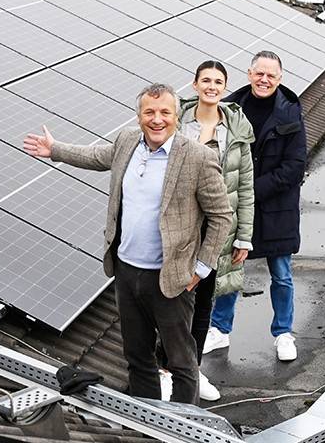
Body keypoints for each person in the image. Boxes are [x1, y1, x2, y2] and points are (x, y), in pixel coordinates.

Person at [23, 83, 232, 404]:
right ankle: (146, 419)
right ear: (139, 116)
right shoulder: (127, 141)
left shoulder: (198, 157)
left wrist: (201, 268)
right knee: (137, 357)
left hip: (171, 277)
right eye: (149, 112)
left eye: (165, 112)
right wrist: (56, 149)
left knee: (181, 361)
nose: (157, 119)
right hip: (126, 271)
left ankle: (183, 424)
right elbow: (97, 156)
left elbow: (221, 216)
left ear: (177, 116)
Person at [157, 60, 255, 402]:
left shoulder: (237, 132)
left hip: (217, 232)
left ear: (225, 88)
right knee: (173, 303)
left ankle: (191, 369)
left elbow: (245, 187)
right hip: (179, 229)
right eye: (206, 81)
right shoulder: (176, 123)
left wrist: (244, 236)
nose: (212, 87)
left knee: (202, 306)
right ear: (195, 85)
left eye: (218, 82)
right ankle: (165, 370)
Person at [203, 51, 307, 362]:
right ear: (249, 74)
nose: (264, 80)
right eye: (259, 74)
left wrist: (250, 189)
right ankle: (219, 329)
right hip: (237, 208)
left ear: (280, 78)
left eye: (270, 75)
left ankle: (283, 333)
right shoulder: (229, 110)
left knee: (281, 274)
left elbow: (294, 167)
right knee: (230, 270)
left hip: (276, 210)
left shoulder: (290, 114)